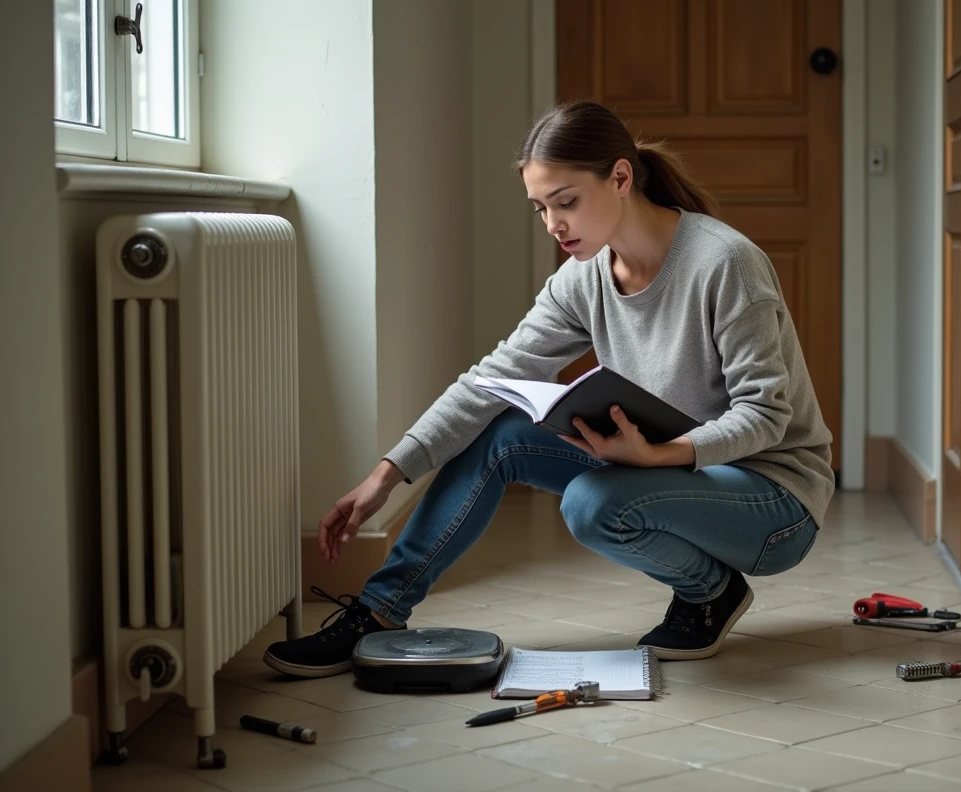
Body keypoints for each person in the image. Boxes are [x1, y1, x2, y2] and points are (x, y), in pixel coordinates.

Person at [263, 100, 835, 678]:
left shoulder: (726, 263)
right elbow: (491, 380)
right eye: (540, 208)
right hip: (675, 469)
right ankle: (379, 612)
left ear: (619, 177)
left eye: (566, 203)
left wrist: (657, 455)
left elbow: (765, 413)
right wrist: (387, 473)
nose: (553, 225)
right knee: (502, 432)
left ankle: (710, 592)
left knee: (592, 503)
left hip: (773, 498)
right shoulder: (581, 279)